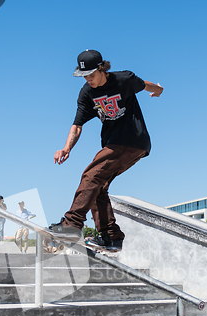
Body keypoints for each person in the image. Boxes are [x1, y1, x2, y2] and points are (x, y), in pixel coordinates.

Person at [51, 49, 163, 250]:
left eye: (92, 75)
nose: (89, 80)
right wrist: (66, 148)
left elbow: (146, 85)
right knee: (98, 186)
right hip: (116, 145)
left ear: (102, 69)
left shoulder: (124, 79)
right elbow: (77, 124)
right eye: (84, 76)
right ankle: (111, 236)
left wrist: (158, 90)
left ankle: (71, 225)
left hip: (132, 138)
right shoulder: (87, 93)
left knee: (91, 176)